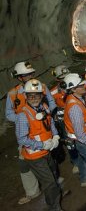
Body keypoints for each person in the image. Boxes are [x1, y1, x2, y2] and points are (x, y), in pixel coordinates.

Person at [6, 61, 56, 205]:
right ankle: (32, 192)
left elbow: (51, 103)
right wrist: (24, 119)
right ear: (19, 78)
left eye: (31, 73)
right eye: (26, 75)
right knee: (24, 164)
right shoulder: (13, 93)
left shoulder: (42, 87)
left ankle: (52, 183)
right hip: (25, 131)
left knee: (47, 155)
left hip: (41, 129)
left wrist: (45, 116)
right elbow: (9, 113)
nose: (30, 76)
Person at [16, 79, 62, 210]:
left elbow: (50, 123)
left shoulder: (44, 107)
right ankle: (54, 208)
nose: (34, 98)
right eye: (31, 95)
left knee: (54, 174)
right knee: (50, 183)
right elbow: (22, 140)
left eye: (37, 95)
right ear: (25, 96)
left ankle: (53, 200)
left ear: (42, 96)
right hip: (35, 156)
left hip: (47, 151)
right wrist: (42, 145)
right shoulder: (23, 115)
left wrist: (56, 135)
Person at [50, 65, 79, 174]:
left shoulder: (73, 88)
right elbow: (50, 107)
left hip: (77, 117)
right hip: (64, 122)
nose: (65, 80)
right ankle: (76, 161)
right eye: (62, 78)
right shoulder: (52, 93)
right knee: (69, 142)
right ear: (58, 80)